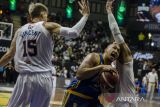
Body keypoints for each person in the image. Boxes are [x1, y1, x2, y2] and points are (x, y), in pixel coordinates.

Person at [0, 0, 90, 106]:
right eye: (46, 15)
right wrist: (85, 16)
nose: (47, 18)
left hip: (24, 78)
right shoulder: (47, 26)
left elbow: (9, 55)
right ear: (42, 14)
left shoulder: (19, 31)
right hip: (43, 78)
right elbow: (74, 32)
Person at [61, 42, 120, 107]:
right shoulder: (94, 57)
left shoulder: (111, 72)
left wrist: (108, 89)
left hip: (92, 100)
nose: (116, 51)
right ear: (106, 49)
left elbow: (108, 96)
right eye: (114, 48)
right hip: (76, 95)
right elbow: (79, 74)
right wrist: (101, 67)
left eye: (118, 51)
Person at [106, 0, 137, 107]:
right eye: (113, 45)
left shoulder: (126, 56)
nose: (115, 45)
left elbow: (115, 30)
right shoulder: (113, 59)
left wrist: (109, 11)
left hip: (127, 102)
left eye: (117, 44)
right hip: (115, 101)